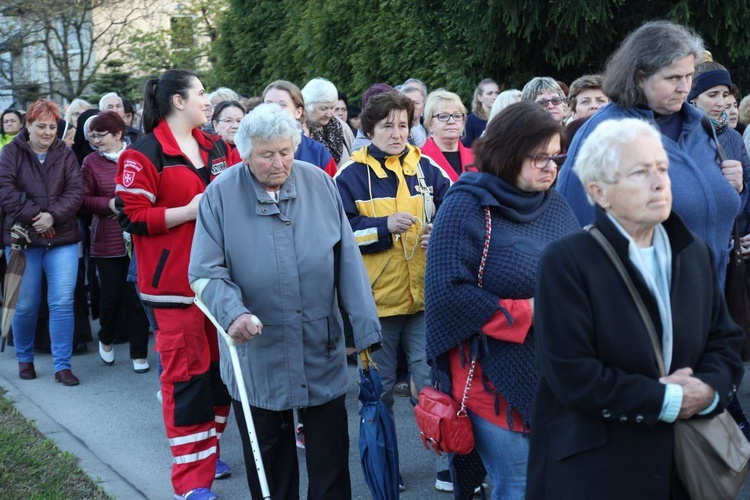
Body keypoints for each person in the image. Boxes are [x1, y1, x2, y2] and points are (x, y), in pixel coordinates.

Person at [528, 117, 744, 498]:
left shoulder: (694, 251)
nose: (659, 181)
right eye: (640, 172)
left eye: (662, 168)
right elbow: (572, 373)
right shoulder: (566, 261)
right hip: (601, 472)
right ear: (599, 191)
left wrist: (708, 390)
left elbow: (723, 340)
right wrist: (669, 399)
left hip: (682, 468)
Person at [188, 103, 382, 500]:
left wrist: (365, 332)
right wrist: (233, 314)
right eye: (266, 154)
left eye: (285, 151)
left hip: (319, 344)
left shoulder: (320, 184)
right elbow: (205, 273)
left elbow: (347, 262)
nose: (278, 163)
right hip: (256, 352)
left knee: (330, 462)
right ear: (244, 152)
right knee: (271, 469)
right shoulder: (220, 195)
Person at [424, 101, 579, 499]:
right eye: (538, 157)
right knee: (519, 484)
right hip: (490, 378)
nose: (550, 166)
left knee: (556, 480)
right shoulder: (466, 205)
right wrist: (527, 313)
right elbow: (447, 294)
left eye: (555, 155)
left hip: (554, 368)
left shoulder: (557, 206)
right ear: (508, 154)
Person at [115, 69, 240, 500]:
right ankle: (191, 482)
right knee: (188, 380)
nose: (209, 100)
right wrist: (187, 211)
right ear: (178, 101)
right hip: (174, 289)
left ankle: (209, 450)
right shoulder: (144, 152)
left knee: (222, 378)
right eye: (202, 93)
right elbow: (131, 218)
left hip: (221, 284)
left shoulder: (219, 146)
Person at [558, 21, 745, 289]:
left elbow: (710, 207)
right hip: (639, 308)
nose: (685, 88)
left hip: (712, 305)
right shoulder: (602, 133)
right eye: (672, 78)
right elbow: (573, 230)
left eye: (689, 76)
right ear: (639, 77)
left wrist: (733, 187)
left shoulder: (701, 126)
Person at [335, 91, 452, 490]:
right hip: (376, 303)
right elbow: (339, 233)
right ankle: (386, 470)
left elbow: (455, 208)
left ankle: (447, 466)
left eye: (403, 125)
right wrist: (383, 228)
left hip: (422, 298)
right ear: (369, 129)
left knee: (433, 384)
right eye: (387, 125)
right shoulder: (349, 173)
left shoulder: (426, 165)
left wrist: (440, 230)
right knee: (379, 393)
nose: (397, 132)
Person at [0, 98, 83, 386]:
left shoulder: (65, 153)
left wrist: (53, 216)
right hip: (24, 240)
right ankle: (25, 358)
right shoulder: (11, 152)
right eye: (41, 127)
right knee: (25, 305)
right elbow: (5, 190)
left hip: (62, 238)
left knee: (61, 302)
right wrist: (38, 216)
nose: (48, 132)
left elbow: (76, 190)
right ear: (28, 125)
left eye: (52, 127)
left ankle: (63, 365)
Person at [80, 111, 150, 373]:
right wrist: (107, 203)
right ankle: (106, 338)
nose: (95, 140)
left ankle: (139, 354)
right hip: (107, 239)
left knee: (137, 297)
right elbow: (83, 199)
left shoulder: (139, 155)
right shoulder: (90, 162)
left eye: (101, 135)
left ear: (119, 134)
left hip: (138, 237)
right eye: (93, 136)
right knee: (111, 296)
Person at [262, 80, 337, 176]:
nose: (274, 109)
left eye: (282, 104)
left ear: (298, 112)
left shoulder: (318, 153)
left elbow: (331, 189)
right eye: (269, 104)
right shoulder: (247, 150)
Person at [420, 89, 474, 181]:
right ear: (429, 124)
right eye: (443, 116)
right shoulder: (419, 158)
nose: (452, 121)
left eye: (457, 116)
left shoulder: (476, 157)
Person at [301, 77, 354, 167]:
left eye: (332, 107)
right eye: (323, 109)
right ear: (308, 106)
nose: (329, 114)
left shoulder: (341, 127)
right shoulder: (297, 131)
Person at [463, 78, 499, 147]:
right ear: (480, 98)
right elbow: (467, 148)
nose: (494, 97)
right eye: (489, 93)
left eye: (497, 93)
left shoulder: (502, 119)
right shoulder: (470, 121)